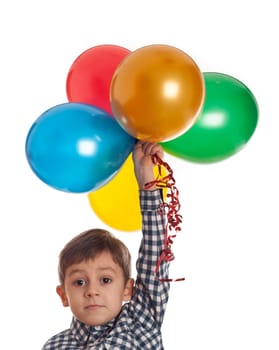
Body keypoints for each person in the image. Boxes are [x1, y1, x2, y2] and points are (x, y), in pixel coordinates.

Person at [42, 141, 171, 349]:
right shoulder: (55, 345)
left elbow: (155, 253)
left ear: (128, 289)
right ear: (63, 294)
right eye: (79, 282)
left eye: (105, 279)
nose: (92, 291)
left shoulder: (141, 322)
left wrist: (146, 178)